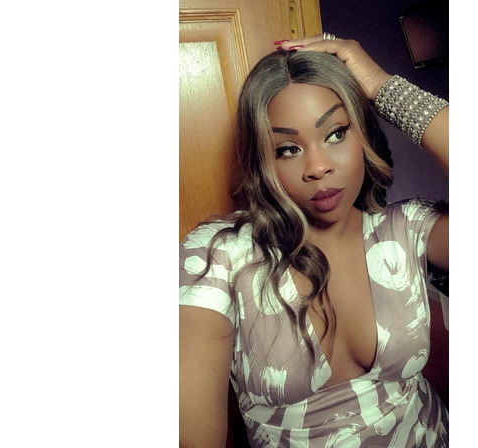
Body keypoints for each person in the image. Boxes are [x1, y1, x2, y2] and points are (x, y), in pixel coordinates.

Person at [179, 33, 449, 448]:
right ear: (262, 161)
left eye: (336, 133)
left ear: (362, 133)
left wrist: (381, 86)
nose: (318, 167)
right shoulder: (220, 256)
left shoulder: (410, 227)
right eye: (287, 149)